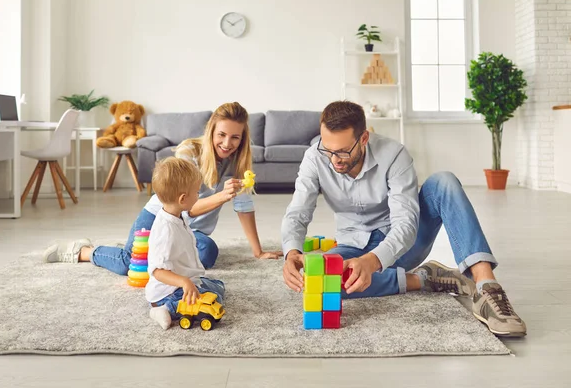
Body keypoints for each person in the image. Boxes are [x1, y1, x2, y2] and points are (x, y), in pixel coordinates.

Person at [281, 100, 526, 337]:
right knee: (320, 284)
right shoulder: (315, 157)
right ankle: (424, 279)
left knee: (444, 182)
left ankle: (487, 288)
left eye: (343, 151)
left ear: (363, 138)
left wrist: (373, 261)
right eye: (328, 149)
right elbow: (298, 211)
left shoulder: (394, 154)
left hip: (402, 246)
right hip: (352, 246)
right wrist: (291, 253)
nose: (334, 159)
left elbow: (406, 224)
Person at [44, 102, 281, 273]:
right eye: (222, 135)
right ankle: (84, 251)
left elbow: (244, 206)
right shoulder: (189, 152)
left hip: (190, 231)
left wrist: (258, 251)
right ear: (211, 130)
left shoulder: (238, 160)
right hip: (159, 217)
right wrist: (220, 197)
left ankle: (147, 250)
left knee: (207, 253)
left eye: (235, 137)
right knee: (131, 264)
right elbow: (184, 207)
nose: (227, 144)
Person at [145, 157, 225, 330]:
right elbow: (157, 271)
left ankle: (190, 290)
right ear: (182, 199)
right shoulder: (165, 231)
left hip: (186, 280)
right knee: (212, 299)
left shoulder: (177, 215)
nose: (199, 195)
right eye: (197, 192)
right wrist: (184, 282)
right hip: (167, 291)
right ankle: (163, 309)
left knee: (218, 288)